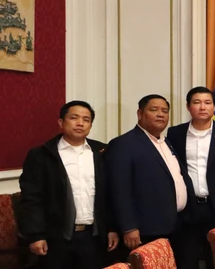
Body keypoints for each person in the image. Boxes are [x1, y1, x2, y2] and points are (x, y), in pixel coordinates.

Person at [17, 101, 119, 269]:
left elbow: (110, 195)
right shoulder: (41, 155)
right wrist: (35, 235)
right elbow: (31, 199)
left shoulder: (102, 152)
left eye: (86, 120)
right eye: (74, 118)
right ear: (61, 122)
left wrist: (112, 228)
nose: (80, 123)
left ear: (91, 125)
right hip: (56, 238)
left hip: (94, 237)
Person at [165, 87, 215, 269]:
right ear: (188, 106)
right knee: (186, 259)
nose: (202, 107)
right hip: (187, 208)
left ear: (214, 107)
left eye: (207, 103)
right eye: (197, 102)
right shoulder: (175, 134)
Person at [107, 95, 187, 255]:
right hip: (144, 230)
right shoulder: (123, 144)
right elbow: (119, 190)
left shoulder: (167, 142)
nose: (160, 114)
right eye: (154, 110)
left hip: (173, 227)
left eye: (165, 111)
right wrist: (129, 227)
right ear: (139, 113)